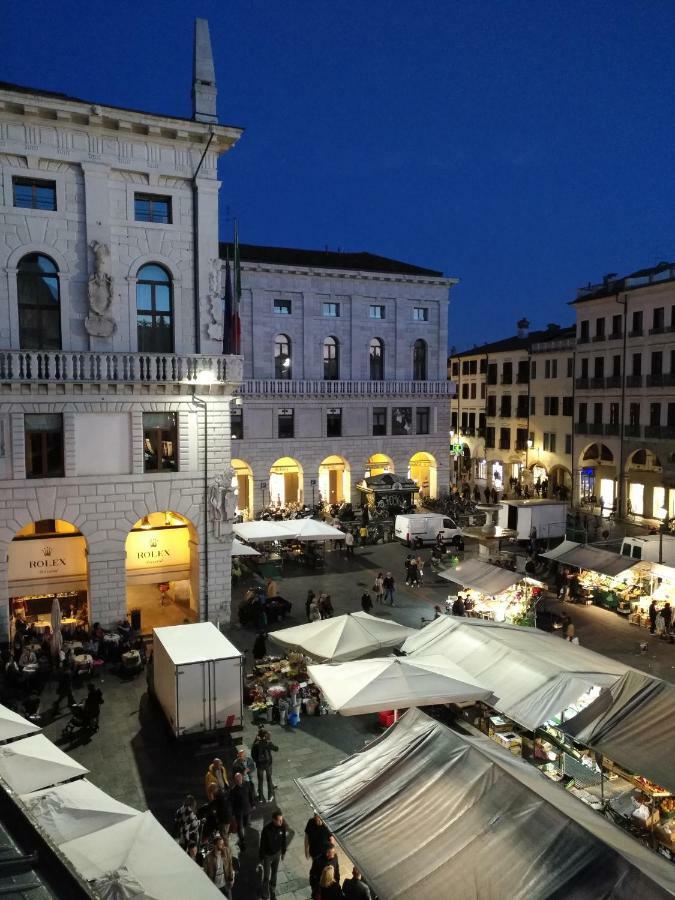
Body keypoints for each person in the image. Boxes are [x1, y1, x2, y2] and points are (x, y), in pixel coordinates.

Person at [259, 809, 287, 900]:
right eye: (279, 820)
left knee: (274, 873)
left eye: (281, 820)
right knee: (266, 876)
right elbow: (262, 844)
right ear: (274, 820)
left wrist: (283, 852)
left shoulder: (282, 827)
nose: (281, 821)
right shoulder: (266, 830)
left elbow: (284, 840)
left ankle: (272, 890)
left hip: (277, 854)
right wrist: (261, 858)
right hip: (267, 855)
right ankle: (265, 893)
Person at [252, 727, 278, 802]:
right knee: (269, 780)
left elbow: (253, 754)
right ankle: (270, 796)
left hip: (259, 765)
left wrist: (257, 761)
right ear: (265, 736)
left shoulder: (256, 744)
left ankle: (260, 797)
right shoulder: (268, 743)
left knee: (260, 781)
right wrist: (270, 740)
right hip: (268, 764)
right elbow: (276, 749)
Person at [230, 772, 251, 849]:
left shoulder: (247, 784)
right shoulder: (233, 791)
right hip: (238, 812)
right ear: (235, 781)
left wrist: (253, 804)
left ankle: (244, 836)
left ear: (242, 778)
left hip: (247, 809)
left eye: (239, 778)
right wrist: (232, 813)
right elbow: (231, 803)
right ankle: (242, 840)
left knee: (246, 824)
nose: (238, 780)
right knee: (239, 826)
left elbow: (250, 794)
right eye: (237, 779)